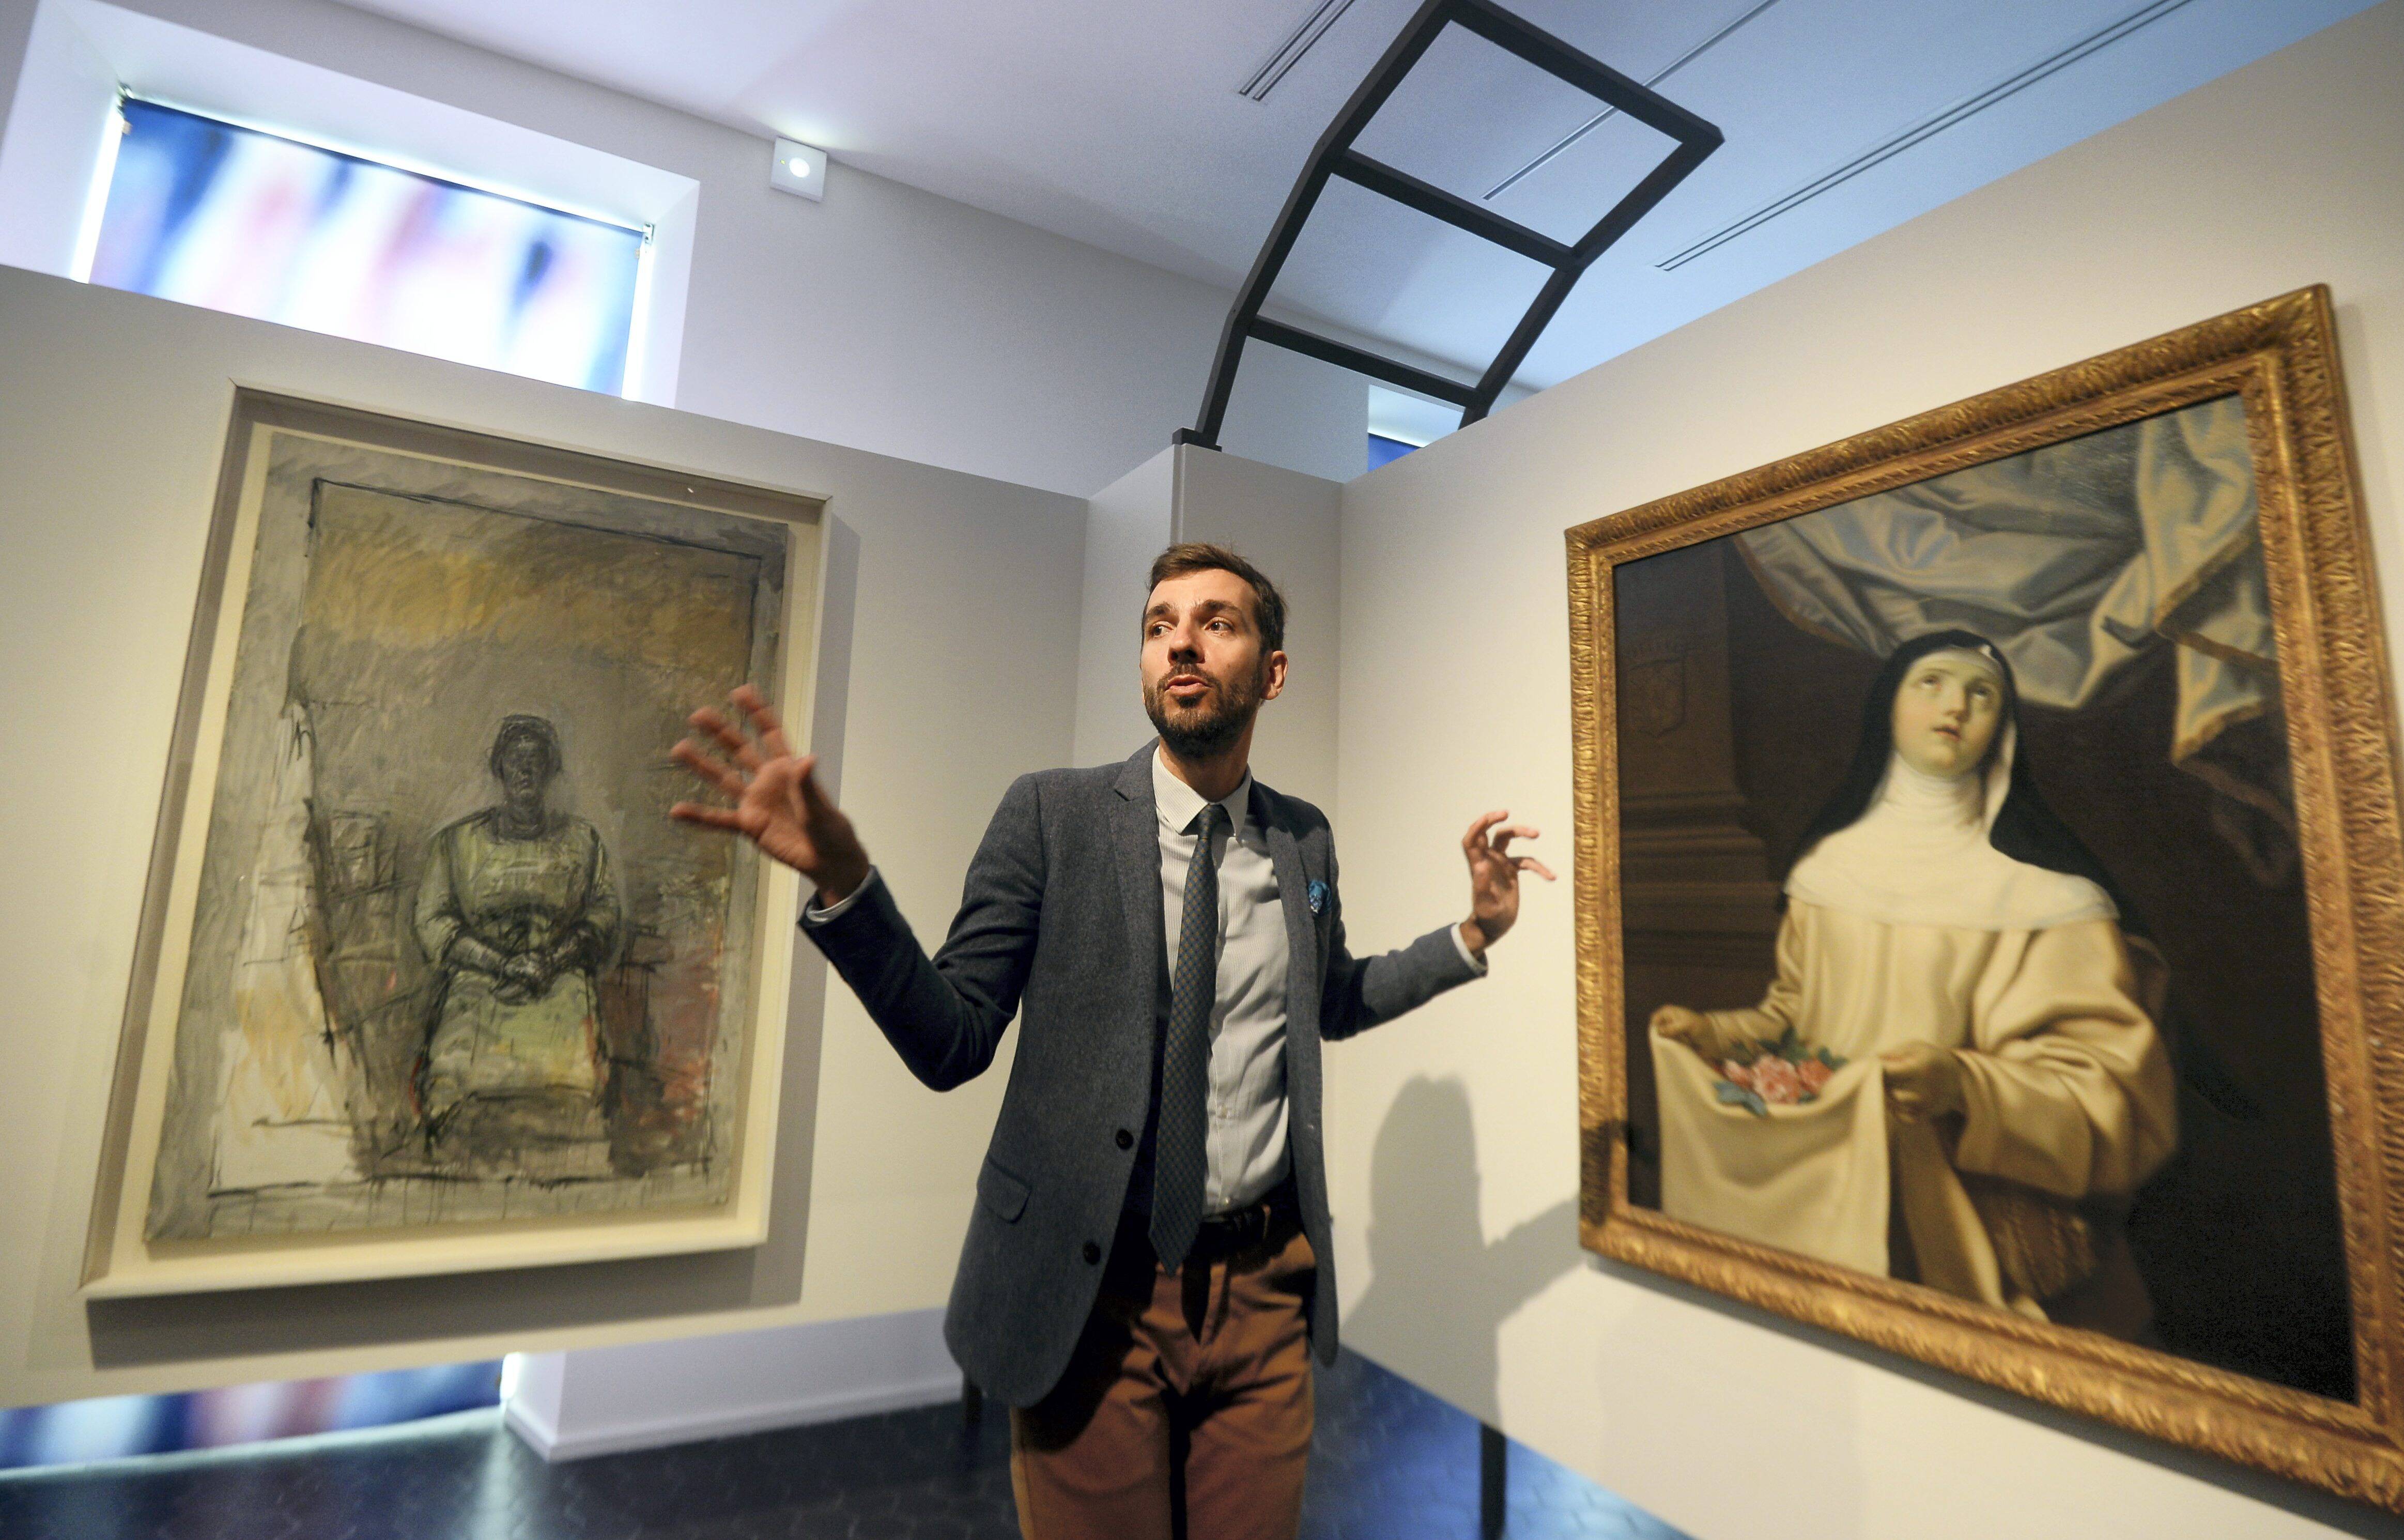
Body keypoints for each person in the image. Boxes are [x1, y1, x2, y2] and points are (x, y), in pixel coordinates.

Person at [670, 543, 1551, 1540]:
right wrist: (845, 884)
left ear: (1271, 672)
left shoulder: (1302, 839)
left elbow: (1333, 999)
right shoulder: (1053, 815)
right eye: (1157, 624)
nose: (1180, 640)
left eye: (1215, 622)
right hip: (1090, 1293)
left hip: (1264, 1295)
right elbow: (951, 1039)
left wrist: (1473, 933)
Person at [1649, 629, 2177, 1336]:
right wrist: (1710, 1033)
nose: (1954, 706)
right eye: (1929, 682)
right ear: (1887, 707)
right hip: (1822, 1197)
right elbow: (1795, 1018)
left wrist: (1964, 1085)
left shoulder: (2052, 904)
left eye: (1980, 693)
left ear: (2003, 728)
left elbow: (2113, 1098)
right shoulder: (1826, 871)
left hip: (1967, 1230)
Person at [412, 714, 621, 1178]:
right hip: (479, 982)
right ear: (499, 769)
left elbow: (604, 912)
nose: (526, 772)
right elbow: (432, 920)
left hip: (558, 980)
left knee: (573, 1083)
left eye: (536, 762)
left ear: (551, 771)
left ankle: (566, 1174)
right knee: (453, 1075)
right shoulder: (455, 843)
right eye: (515, 761)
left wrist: (553, 959)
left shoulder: (583, 842)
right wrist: (502, 963)